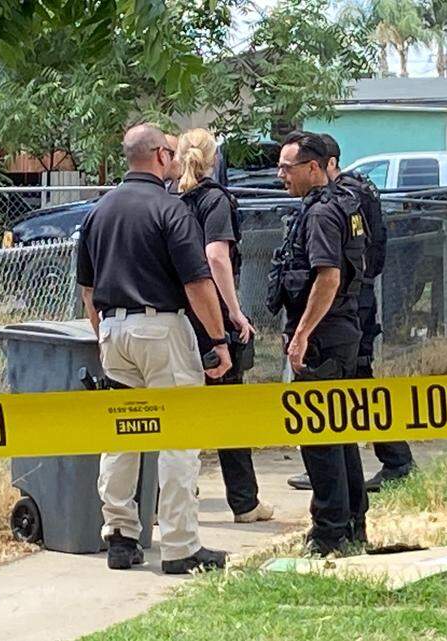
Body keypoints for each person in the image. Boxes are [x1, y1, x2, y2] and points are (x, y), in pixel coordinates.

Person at [77, 123, 232, 575]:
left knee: (123, 435)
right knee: (178, 438)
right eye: (172, 151)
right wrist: (218, 340)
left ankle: (120, 536)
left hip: (113, 330)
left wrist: (102, 332)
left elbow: (88, 289)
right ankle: (180, 547)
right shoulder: (170, 209)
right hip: (161, 328)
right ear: (161, 156)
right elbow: (198, 282)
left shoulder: (99, 211)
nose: (176, 159)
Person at [285, 134, 414, 494]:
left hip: (346, 304)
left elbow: (335, 268)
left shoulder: (337, 202)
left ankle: (389, 461)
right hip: (354, 299)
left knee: (354, 387)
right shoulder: (356, 196)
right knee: (354, 387)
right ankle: (357, 471)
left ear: (325, 164)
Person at [268, 131, 368, 555]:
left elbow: (328, 277)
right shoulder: (340, 205)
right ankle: (351, 526)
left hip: (324, 340)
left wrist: (302, 335)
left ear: (313, 167)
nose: (280, 175)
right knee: (339, 432)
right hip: (340, 332)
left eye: (287, 167)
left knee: (320, 436)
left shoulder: (323, 214)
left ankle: (329, 535)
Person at [176, 128, 274, 524]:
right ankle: (245, 503)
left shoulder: (169, 199)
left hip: (174, 318)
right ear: (214, 159)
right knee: (229, 411)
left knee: (178, 415)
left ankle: (173, 499)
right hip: (210, 317)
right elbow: (216, 256)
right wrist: (234, 312)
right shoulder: (214, 200)